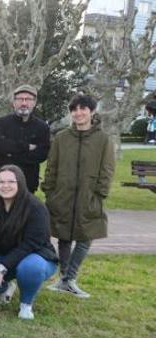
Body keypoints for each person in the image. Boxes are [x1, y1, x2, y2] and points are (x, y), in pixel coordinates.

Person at [42, 94, 115, 298]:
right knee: (64, 237)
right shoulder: (62, 138)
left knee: (86, 236)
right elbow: (52, 167)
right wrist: (50, 191)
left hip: (88, 197)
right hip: (62, 196)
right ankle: (64, 278)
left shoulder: (103, 139)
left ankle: (69, 278)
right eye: (74, 109)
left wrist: (99, 194)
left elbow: (107, 169)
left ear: (91, 111)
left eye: (83, 109)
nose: (78, 113)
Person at [0, 165, 58, 319]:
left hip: (34, 256)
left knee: (30, 268)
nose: (5, 186)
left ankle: (26, 304)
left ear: (21, 183)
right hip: (1, 256)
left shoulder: (36, 207)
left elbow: (31, 244)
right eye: (1, 182)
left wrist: (2, 269)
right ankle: (6, 286)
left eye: (11, 181)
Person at [0, 84, 50, 193]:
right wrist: (27, 147)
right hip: (1, 183)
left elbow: (42, 154)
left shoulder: (42, 127)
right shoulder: (2, 123)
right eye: (20, 99)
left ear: (34, 102)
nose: (24, 103)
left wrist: (11, 154)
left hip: (28, 184)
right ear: (14, 102)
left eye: (28, 99)